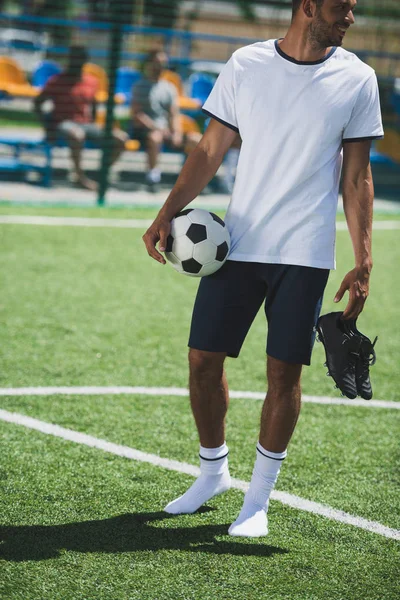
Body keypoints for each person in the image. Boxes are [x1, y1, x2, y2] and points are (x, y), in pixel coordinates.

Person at [143, 0, 383, 538]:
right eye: (342, 9)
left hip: (305, 251)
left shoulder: (359, 79)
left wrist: (363, 259)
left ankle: (256, 502)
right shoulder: (245, 64)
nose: (350, 18)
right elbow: (209, 148)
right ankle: (213, 473)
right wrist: (166, 213)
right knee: (202, 359)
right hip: (237, 244)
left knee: (283, 374)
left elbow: (356, 176)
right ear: (308, 8)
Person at [34, 45, 127, 191]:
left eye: (80, 59)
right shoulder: (56, 81)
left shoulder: (92, 82)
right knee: (77, 134)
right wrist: (48, 126)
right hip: (63, 123)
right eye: (73, 59)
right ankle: (79, 177)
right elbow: (37, 103)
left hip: (86, 124)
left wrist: (94, 125)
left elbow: (94, 106)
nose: (76, 63)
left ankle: (99, 174)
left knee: (121, 138)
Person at [131, 50, 202, 191]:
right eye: (157, 63)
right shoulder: (139, 86)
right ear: (149, 64)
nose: (160, 67)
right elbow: (137, 114)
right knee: (155, 138)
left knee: (196, 140)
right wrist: (156, 128)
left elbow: (174, 114)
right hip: (146, 130)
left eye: (163, 64)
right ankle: (153, 178)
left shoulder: (169, 88)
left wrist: (176, 133)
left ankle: (188, 178)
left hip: (167, 130)